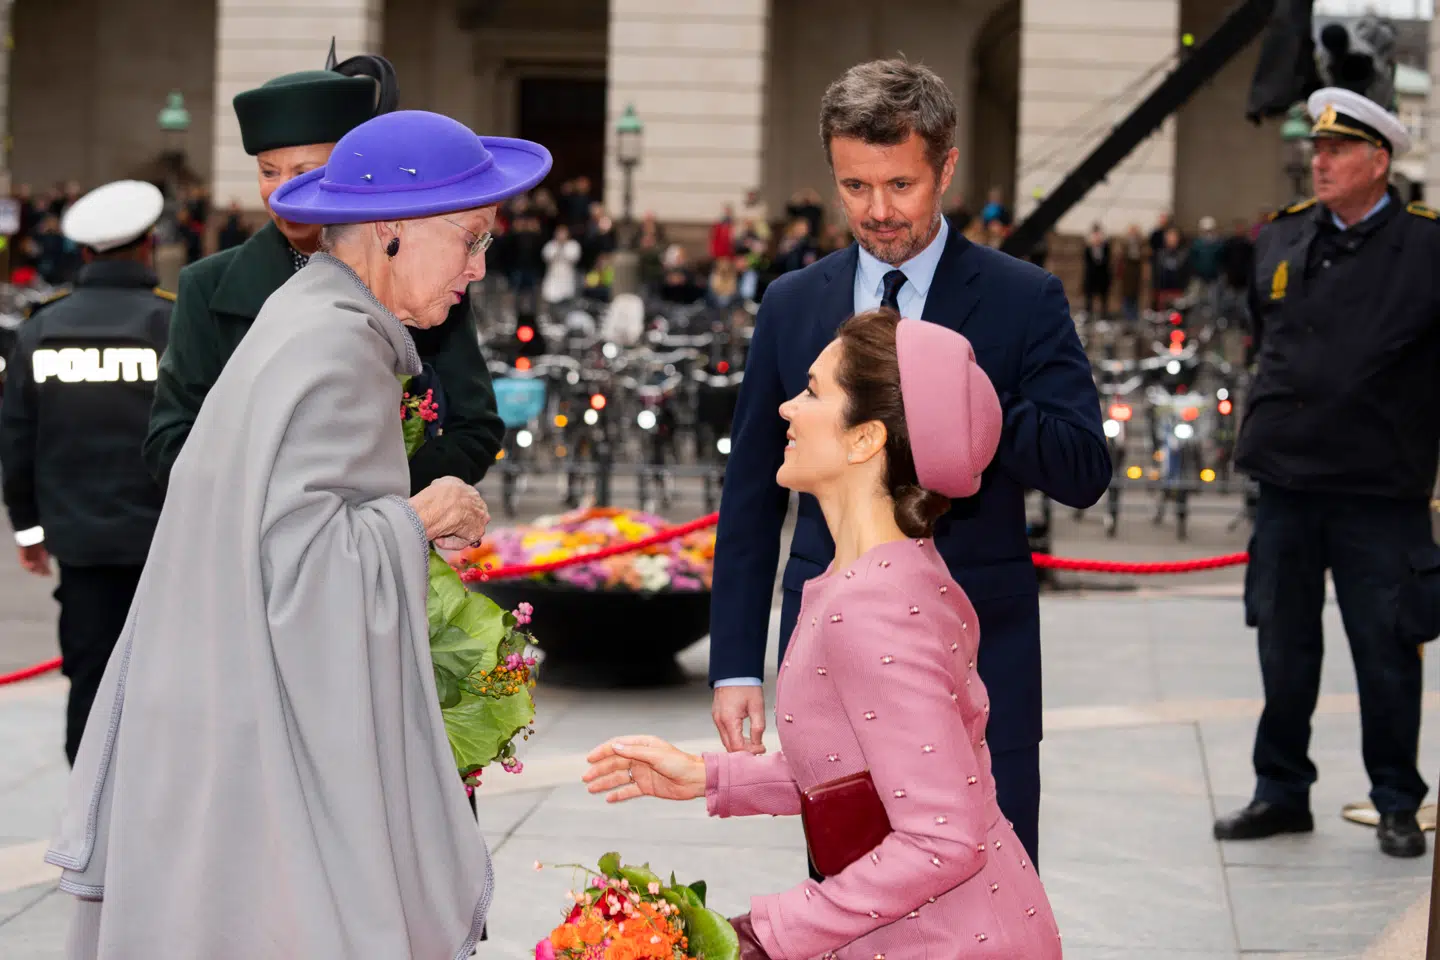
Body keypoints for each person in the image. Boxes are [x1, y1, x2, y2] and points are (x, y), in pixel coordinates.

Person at [47, 110, 552, 958]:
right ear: (391, 230)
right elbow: (301, 569)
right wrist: (422, 516)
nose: (478, 267)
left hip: (218, 699)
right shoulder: (337, 348)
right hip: (256, 723)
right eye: (470, 238)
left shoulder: (309, 316)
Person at [708, 58, 1110, 873]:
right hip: (831, 650)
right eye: (855, 187)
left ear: (947, 169)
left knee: (989, 878)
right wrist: (734, 666)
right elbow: (750, 497)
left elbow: (1081, 468)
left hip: (978, 646)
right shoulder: (792, 303)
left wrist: (967, 392)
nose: (878, 212)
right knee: (848, 884)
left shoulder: (1021, 298)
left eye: (901, 184)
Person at [585, 310, 1062, 960]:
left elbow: (942, 838)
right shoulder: (890, 572)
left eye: (812, 390)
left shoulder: (873, 604)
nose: (787, 406)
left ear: (865, 438)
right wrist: (708, 777)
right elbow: (868, 770)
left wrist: (758, 935)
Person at [1215, 86, 1440, 859]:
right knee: (1283, 647)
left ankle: (1397, 801)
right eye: (1317, 149)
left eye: (1338, 150)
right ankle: (1280, 791)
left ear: (1379, 161)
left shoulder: (1427, 245)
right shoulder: (1282, 238)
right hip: (1286, 484)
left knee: (1385, 652)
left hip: (1381, 490)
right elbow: (1263, 331)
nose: (1320, 161)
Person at [144, 49, 506, 494]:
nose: (282, 191)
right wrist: (294, 499)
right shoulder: (208, 286)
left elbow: (476, 426)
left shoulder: (422, 279)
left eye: (305, 171)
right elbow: (169, 442)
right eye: (268, 171)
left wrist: (386, 498)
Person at [0, 180, 170, 765]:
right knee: (165, 682)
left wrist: (28, 530)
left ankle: (89, 819)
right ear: (147, 247)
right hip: (164, 543)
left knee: (91, 679)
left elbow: (17, 438)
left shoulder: (42, 329)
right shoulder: (171, 324)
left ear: (85, 254)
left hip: (80, 542)